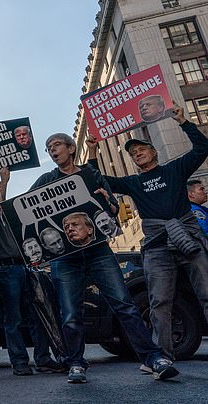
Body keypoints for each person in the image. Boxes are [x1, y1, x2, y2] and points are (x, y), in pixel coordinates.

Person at [0, 131, 177, 383]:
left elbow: (113, 210)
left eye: (56, 144)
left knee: (124, 306)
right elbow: (20, 208)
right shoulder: (46, 180)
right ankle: (76, 363)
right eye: (49, 148)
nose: (52, 150)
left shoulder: (91, 175)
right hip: (65, 259)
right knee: (70, 314)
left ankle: (153, 358)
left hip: (98, 253)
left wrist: (110, 205)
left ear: (71, 149)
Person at [87, 103, 208, 361]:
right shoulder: (133, 183)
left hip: (188, 239)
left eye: (142, 150)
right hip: (157, 246)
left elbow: (202, 148)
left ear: (154, 153)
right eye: (134, 154)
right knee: (159, 303)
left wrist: (183, 121)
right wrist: (93, 151)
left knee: (207, 293)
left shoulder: (175, 169)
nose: (138, 154)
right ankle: (162, 356)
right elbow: (97, 179)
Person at [0, 168, 64, 377]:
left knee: (37, 315)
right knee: (13, 318)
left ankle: (43, 359)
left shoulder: (10, 213)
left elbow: (3, 203)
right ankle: (19, 361)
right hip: (5, 270)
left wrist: (4, 182)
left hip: (25, 267)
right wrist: (2, 184)